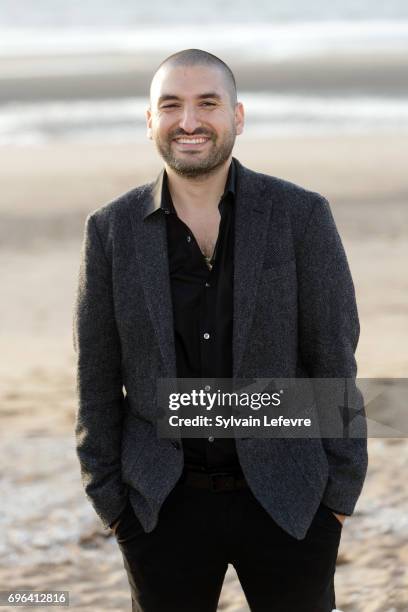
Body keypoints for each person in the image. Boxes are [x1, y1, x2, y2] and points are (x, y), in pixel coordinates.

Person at [73, 48, 368, 612]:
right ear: (150, 121)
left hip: (291, 500)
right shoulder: (110, 231)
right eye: (172, 106)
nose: (189, 121)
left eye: (207, 103)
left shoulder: (301, 215)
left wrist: (339, 493)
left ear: (237, 116)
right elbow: (96, 377)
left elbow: (335, 356)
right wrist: (111, 501)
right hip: (159, 506)